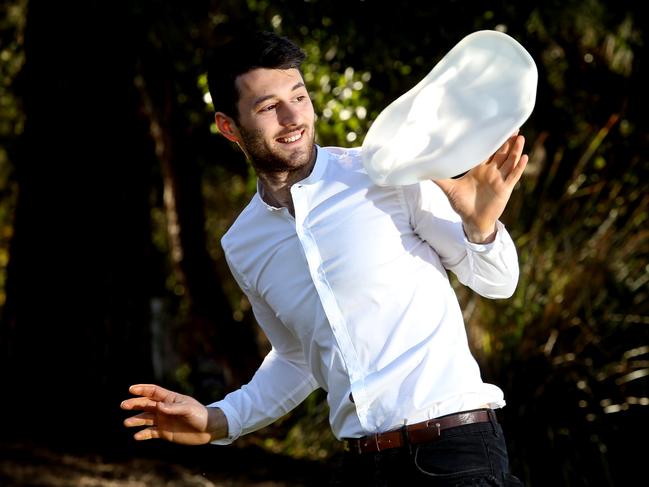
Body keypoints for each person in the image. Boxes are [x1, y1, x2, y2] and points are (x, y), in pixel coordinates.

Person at [121, 31, 527, 486]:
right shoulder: (243, 244)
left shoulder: (387, 174)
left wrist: (481, 227)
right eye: (267, 106)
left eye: (298, 95)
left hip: (456, 456)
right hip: (362, 467)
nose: (293, 116)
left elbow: (499, 282)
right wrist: (219, 420)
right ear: (229, 126)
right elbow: (297, 358)